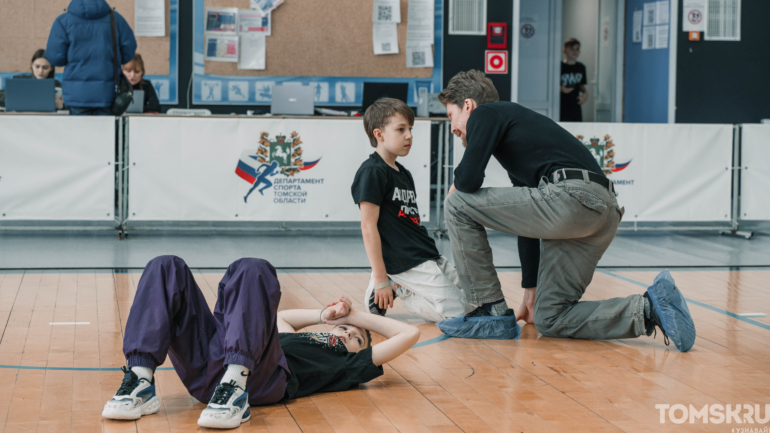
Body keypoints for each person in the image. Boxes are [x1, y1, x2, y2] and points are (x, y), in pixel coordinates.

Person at [437, 70, 696, 351]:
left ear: (468, 106)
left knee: (456, 203)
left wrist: (455, 186)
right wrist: (530, 292)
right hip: (601, 211)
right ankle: (649, 308)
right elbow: (529, 227)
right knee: (550, 317)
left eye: (451, 116)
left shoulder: (486, 114)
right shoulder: (516, 141)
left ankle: (489, 308)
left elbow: (468, 180)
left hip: (572, 197)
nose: (452, 128)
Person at [102, 256, 420, 429]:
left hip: (262, 379)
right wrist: (328, 315)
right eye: (349, 331)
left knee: (257, 269)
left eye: (358, 341)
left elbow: (409, 334)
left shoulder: (347, 364)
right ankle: (140, 381)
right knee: (166, 266)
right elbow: (284, 318)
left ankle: (236, 390)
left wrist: (357, 317)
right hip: (213, 365)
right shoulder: (289, 338)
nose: (351, 335)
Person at [351, 98, 475, 323]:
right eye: (401, 129)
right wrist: (380, 279)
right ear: (379, 134)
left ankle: (399, 283)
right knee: (457, 313)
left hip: (426, 254)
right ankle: (400, 286)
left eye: (410, 129)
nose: (409, 135)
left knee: (475, 302)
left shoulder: (403, 173)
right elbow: (368, 227)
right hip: (403, 261)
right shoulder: (372, 172)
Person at [45, 0, 137, 115]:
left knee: (81, 132)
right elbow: (129, 50)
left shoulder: (63, 21)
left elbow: (55, 59)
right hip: (107, 93)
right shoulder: (116, 19)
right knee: (106, 132)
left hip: (77, 95)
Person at [560, 38, 588, 122]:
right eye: (571, 49)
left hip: (575, 106)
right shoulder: (560, 67)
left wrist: (585, 94)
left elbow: (581, 85)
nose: (574, 52)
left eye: (577, 49)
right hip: (562, 105)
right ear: (565, 51)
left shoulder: (581, 67)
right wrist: (560, 89)